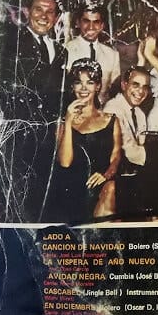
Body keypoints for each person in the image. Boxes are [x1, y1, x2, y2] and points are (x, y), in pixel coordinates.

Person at [0, 0, 67, 222]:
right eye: (39, 9)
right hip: (19, 134)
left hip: (48, 136)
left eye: (50, 12)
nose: (44, 16)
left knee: (42, 195)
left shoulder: (61, 51)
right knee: (15, 198)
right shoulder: (11, 43)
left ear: (56, 17)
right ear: (27, 12)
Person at [56, 59, 122, 221]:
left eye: (90, 82)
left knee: (111, 189)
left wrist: (106, 175)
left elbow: (116, 157)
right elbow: (65, 162)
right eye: (78, 82)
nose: (84, 88)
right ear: (73, 87)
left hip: (101, 186)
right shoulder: (62, 123)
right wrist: (68, 121)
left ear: (98, 86)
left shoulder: (111, 120)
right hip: (71, 191)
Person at [103, 65, 151, 216]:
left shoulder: (140, 113)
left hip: (132, 176)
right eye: (135, 85)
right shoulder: (112, 108)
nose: (141, 91)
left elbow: (141, 143)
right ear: (124, 85)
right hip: (114, 179)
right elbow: (128, 149)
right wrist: (156, 157)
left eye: (145, 87)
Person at [65, 5, 120, 106]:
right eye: (86, 21)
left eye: (96, 22)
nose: (91, 27)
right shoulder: (66, 50)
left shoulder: (112, 55)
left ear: (102, 26)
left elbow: (114, 92)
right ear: (78, 23)